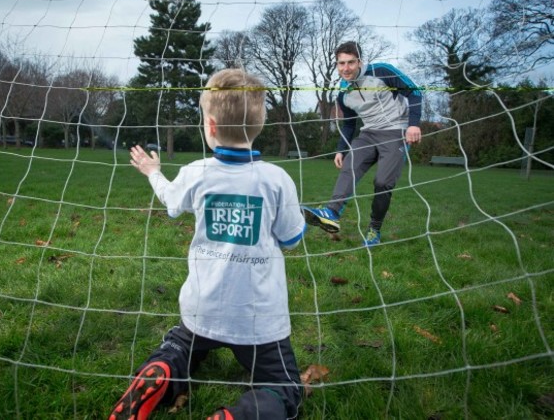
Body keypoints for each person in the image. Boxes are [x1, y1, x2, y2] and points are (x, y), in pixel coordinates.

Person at [109, 68, 306, 420]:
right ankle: (239, 415)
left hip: (203, 309)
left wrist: (153, 171)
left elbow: (171, 203)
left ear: (210, 126)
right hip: (258, 318)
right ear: (260, 124)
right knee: (285, 387)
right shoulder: (278, 180)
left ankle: (162, 371)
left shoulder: (195, 171)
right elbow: (292, 239)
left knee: (180, 346)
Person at [302, 41, 423, 246]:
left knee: (383, 183)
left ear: (360, 61)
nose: (346, 68)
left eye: (350, 62)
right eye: (341, 63)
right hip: (368, 133)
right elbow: (349, 124)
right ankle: (331, 213)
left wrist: (413, 125)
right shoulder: (343, 92)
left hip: (396, 131)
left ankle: (374, 229)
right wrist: (341, 149)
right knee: (350, 165)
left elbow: (415, 92)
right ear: (337, 64)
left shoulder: (382, 71)